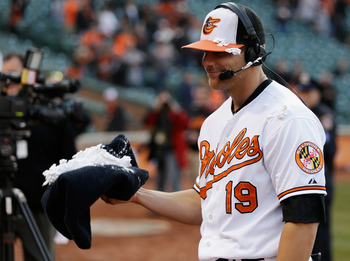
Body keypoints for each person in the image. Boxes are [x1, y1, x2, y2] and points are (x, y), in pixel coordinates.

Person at [102, 3, 326, 261]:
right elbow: (204, 200)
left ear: (253, 53)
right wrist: (137, 194)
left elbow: (303, 219)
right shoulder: (213, 123)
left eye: (219, 53)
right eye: (204, 52)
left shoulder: (287, 117)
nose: (208, 62)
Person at [2, 52, 78, 261]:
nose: (10, 80)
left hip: (36, 202)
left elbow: (67, 154)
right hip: (2, 195)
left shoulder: (43, 109)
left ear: (27, 75)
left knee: (39, 257)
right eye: (5, 74)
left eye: (14, 74)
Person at [296, 74, 337, 261]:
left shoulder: (323, 115)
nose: (304, 95)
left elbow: (328, 150)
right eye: (301, 91)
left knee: (321, 227)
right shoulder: (296, 113)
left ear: (317, 93)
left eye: (308, 91)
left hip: (322, 178)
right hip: (300, 180)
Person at [145, 90, 188, 192]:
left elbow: (183, 122)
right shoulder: (157, 112)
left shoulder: (173, 113)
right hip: (159, 149)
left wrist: (173, 105)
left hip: (172, 148)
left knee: (173, 178)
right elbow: (148, 121)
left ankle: (179, 203)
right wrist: (156, 107)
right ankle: (159, 204)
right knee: (160, 177)